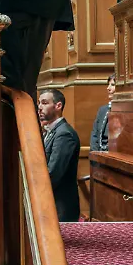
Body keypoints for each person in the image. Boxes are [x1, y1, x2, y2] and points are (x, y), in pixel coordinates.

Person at [38, 89, 80, 222]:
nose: (39, 107)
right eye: (39, 103)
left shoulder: (64, 134)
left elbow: (53, 173)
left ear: (58, 106)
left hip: (60, 208)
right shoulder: (51, 131)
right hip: (52, 204)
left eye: (44, 103)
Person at [90, 75, 116, 153]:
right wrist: (95, 155)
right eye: (108, 84)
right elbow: (94, 135)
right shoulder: (102, 110)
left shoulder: (126, 111)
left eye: (113, 85)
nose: (108, 88)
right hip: (99, 155)